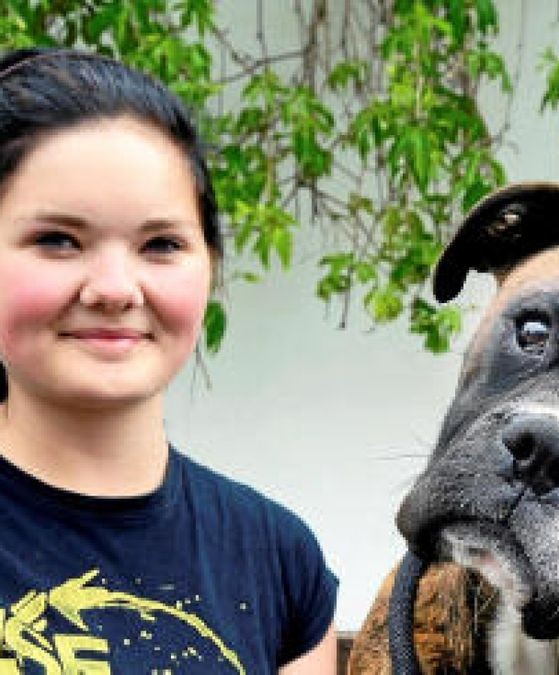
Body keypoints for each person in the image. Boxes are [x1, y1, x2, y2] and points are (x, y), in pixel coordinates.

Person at [0, 48, 337, 673]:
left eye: (161, 244)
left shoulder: (279, 560)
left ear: (210, 264)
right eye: (57, 240)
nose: (114, 288)